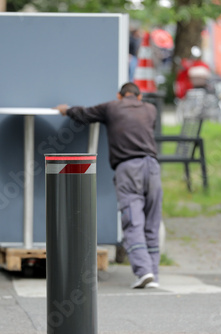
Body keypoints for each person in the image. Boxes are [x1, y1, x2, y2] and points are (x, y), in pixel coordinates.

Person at [55, 82, 163, 289]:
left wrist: (66, 110)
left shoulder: (112, 107)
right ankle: (154, 275)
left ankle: (144, 271)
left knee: (133, 222)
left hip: (128, 169)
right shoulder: (151, 109)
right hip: (153, 168)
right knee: (152, 223)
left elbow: (84, 114)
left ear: (119, 95)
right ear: (139, 97)